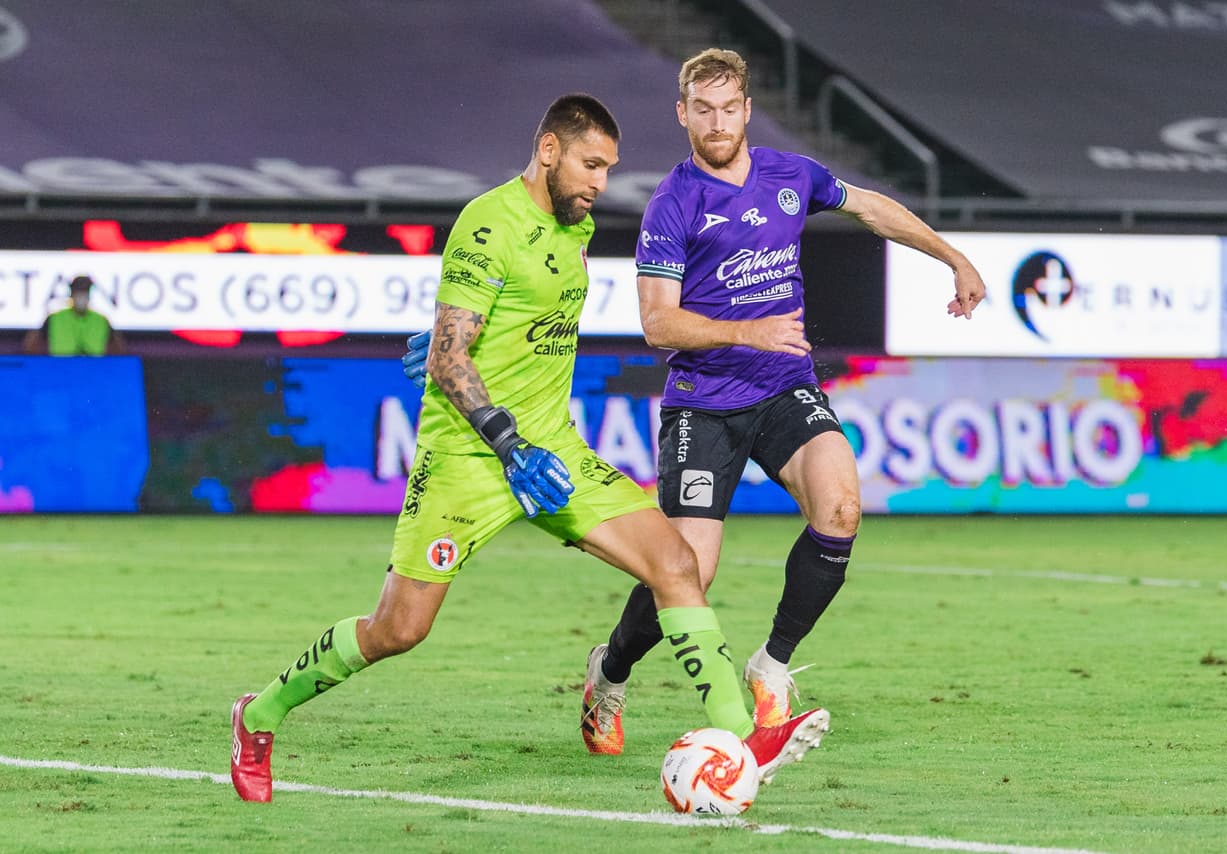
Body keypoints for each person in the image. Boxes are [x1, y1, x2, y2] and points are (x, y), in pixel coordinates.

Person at [231, 93, 828, 804]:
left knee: (676, 563)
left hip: (556, 452)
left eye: (608, 169)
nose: (600, 183)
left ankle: (740, 740)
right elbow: (453, 362)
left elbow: (501, 326)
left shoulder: (569, 228)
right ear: (549, 150)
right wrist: (506, 441)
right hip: (471, 459)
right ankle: (259, 714)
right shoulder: (488, 223)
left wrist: (476, 362)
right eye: (591, 165)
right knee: (398, 628)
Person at [574, 49, 986, 752]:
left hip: (783, 387)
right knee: (689, 568)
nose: (717, 121)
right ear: (682, 115)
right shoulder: (672, 204)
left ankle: (772, 666)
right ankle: (609, 675)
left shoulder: (790, 176)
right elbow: (657, 322)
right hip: (701, 402)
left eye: (729, 107)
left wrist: (953, 256)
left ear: (746, 109)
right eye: (702, 109)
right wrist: (749, 329)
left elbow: (872, 208)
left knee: (842, 508)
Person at [23, 275, 125, 356]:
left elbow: (119, 349)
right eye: (79, 292)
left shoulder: (101, 320)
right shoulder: (55, 318)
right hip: (61, 369)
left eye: (85, 292)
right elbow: (31, 346)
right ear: (72, 294)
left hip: (93, 370)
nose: (81, 296)